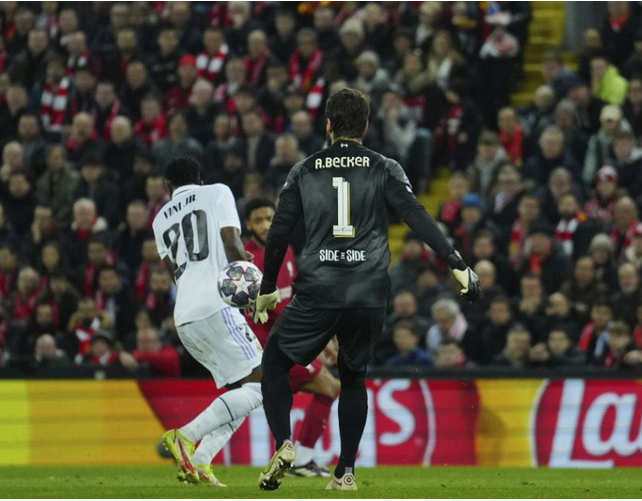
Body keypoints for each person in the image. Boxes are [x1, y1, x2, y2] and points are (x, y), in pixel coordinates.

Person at [253, 89, 480, 492]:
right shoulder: (384, 166)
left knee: (274, 364)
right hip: (368, 290)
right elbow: (415, 214)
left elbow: (278, 231)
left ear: (327, 124)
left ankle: (285, 443)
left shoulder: (304, 170)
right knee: (353, 377)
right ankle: (346, 472)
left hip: (319, 289)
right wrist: (455, 261)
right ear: (366, 126)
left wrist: (268, 286)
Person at [153, 156, 262, 488]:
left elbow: (174, 274)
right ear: (199, 179)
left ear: (167, 187)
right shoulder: (217, 192)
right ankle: (186, 437)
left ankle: (200, 461)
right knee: (264, 383)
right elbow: (231, 242)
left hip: (185, 316)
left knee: (239, 391)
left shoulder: (159, 220)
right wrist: (248, 278)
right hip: (216, 305)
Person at [243, 197, 340, 478]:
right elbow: (271, 312)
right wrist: (315, 341)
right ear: (248, 224)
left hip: (288, 341)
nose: (265, 225)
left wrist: (322, 338)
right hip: (269, 346)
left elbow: (294, 296)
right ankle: (301, 459)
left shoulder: (284, 250)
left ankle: (301, 458)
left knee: (325, 388)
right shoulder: (246, 262)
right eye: (259, 220)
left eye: (270, 218)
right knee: (329, 387)